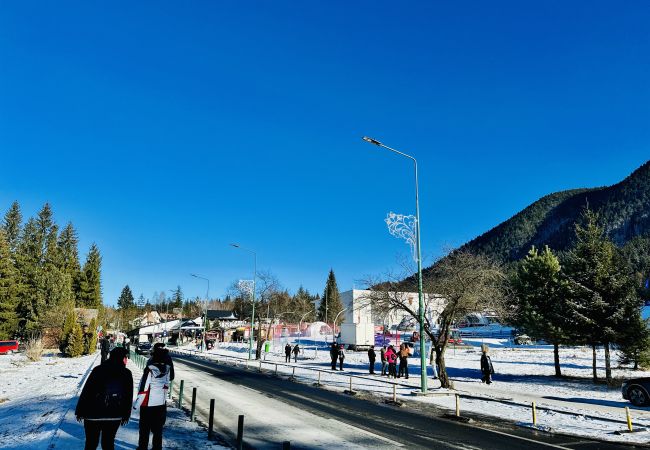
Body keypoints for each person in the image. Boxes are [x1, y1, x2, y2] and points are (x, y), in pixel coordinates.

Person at [75, 347, 133, 450]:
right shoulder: (126, 373)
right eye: (125, 357)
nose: (126, 360)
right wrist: (126, 414)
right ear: (122, 358)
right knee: (108, 443)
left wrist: (80, 411)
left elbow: (87, 391)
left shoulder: (98, 369)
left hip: (92, 415)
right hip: (114, 415)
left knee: (91, 444)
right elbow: (128, 396)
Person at [134, 344, 173, 450]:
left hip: (148, 403)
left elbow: (143, 388)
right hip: (160, 402)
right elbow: (167, 383)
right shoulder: (168, 368)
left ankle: (142, 447)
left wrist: (136, 405)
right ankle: (157, 447)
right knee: (158, 429)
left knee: (144, 428)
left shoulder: (149, 370)